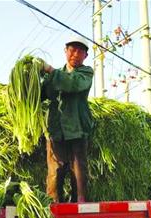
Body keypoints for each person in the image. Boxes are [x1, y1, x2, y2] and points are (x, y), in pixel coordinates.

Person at [41, 35, 94, 203]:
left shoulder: (85, 73)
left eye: (80, 51)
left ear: (85, 56)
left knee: (78, 168)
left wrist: (49, 70)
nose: (75, 54)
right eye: (72, 50)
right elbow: (44, 94)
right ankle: (54, 204)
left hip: (77, 127)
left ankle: (80, 203)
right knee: (55, 170)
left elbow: (72, 84)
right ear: (65, 51)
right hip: (56, 129)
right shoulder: (55, 75)